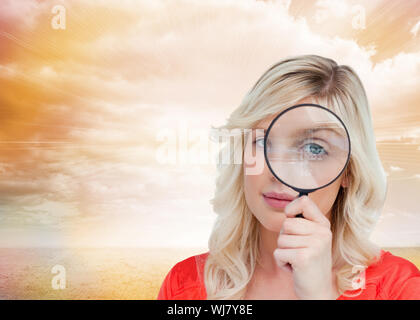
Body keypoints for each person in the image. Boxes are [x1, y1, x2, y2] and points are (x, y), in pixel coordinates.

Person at [157, 55, 420, 300]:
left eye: (314, 148)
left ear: (348, 172)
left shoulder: (398, 288)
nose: (278, 171)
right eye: (263, 142)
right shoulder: (186, 286)